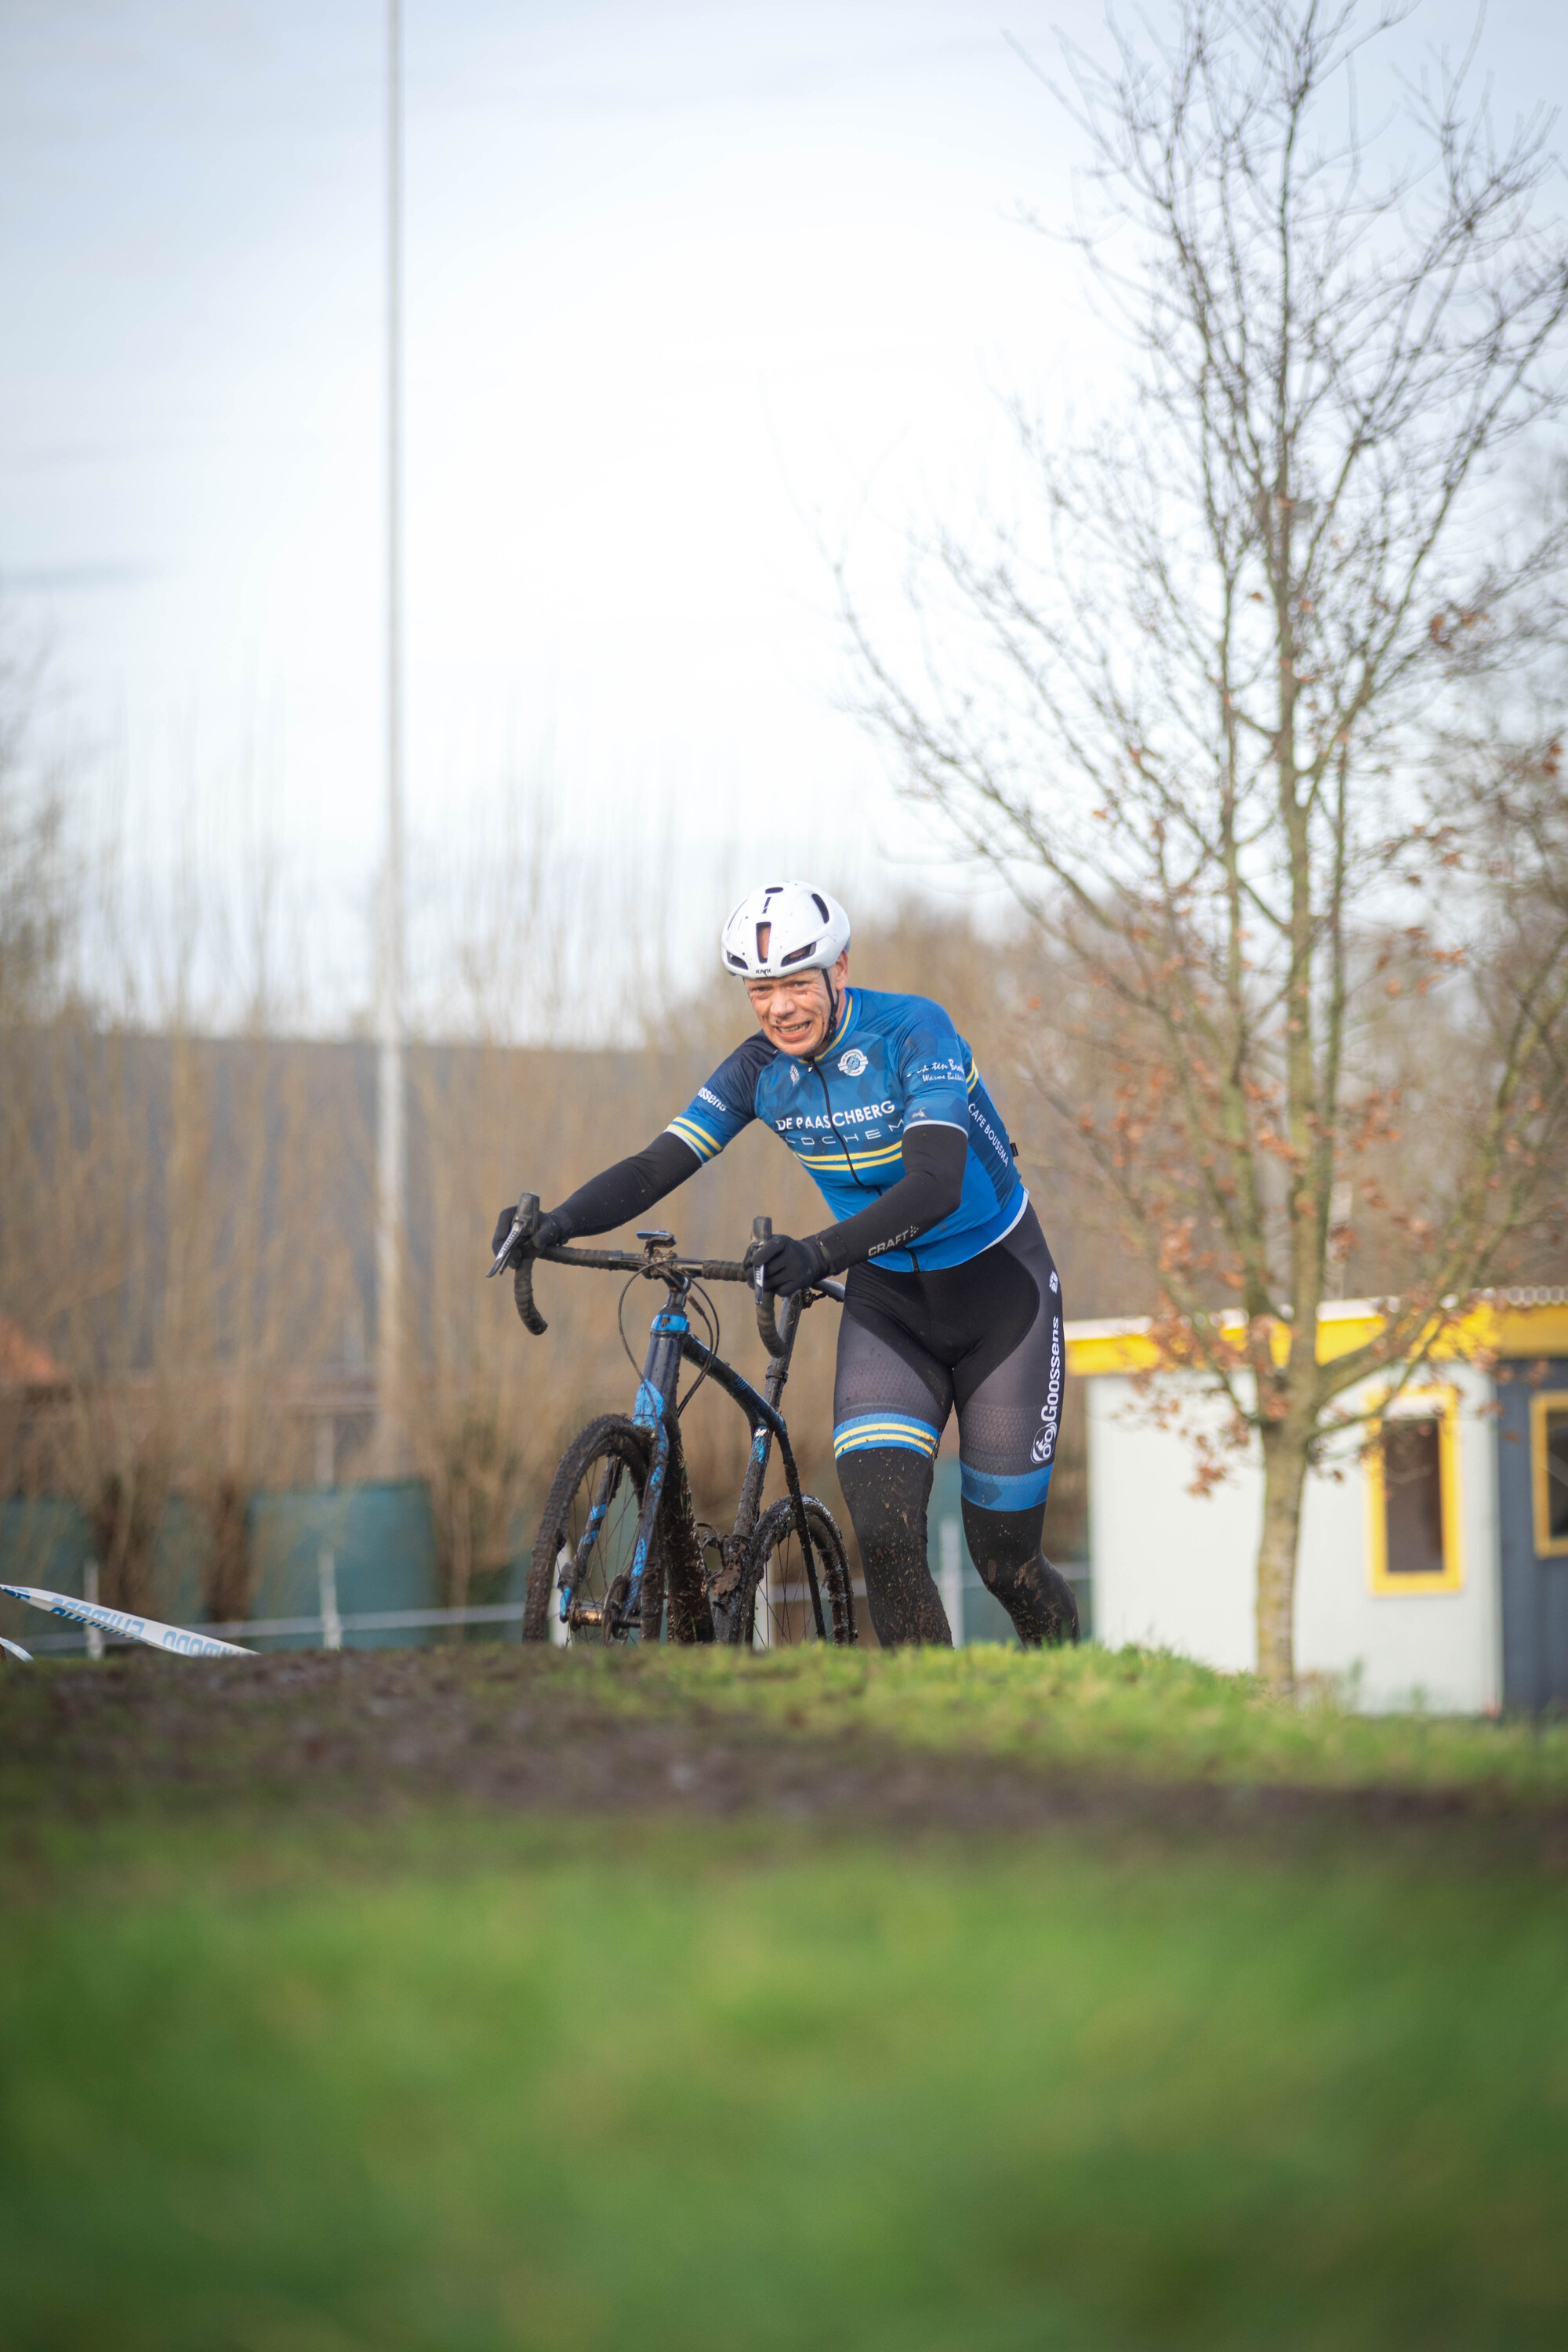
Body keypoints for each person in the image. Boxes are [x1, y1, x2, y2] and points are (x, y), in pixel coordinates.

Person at [492, 880, 1076, 1649]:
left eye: (796, 984)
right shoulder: (757, 1070)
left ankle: (1069, 1683)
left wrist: (815, 1253)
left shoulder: (913, 1033)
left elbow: (934, 1186)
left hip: (1001, 1299)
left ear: (838, 973)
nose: (779, 1008)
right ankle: (939, 1727)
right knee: (887, 1536)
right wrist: (554, 1223)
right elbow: (654, 1165)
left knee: (1003, 1560)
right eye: (759, 990)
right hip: (891, 1309)